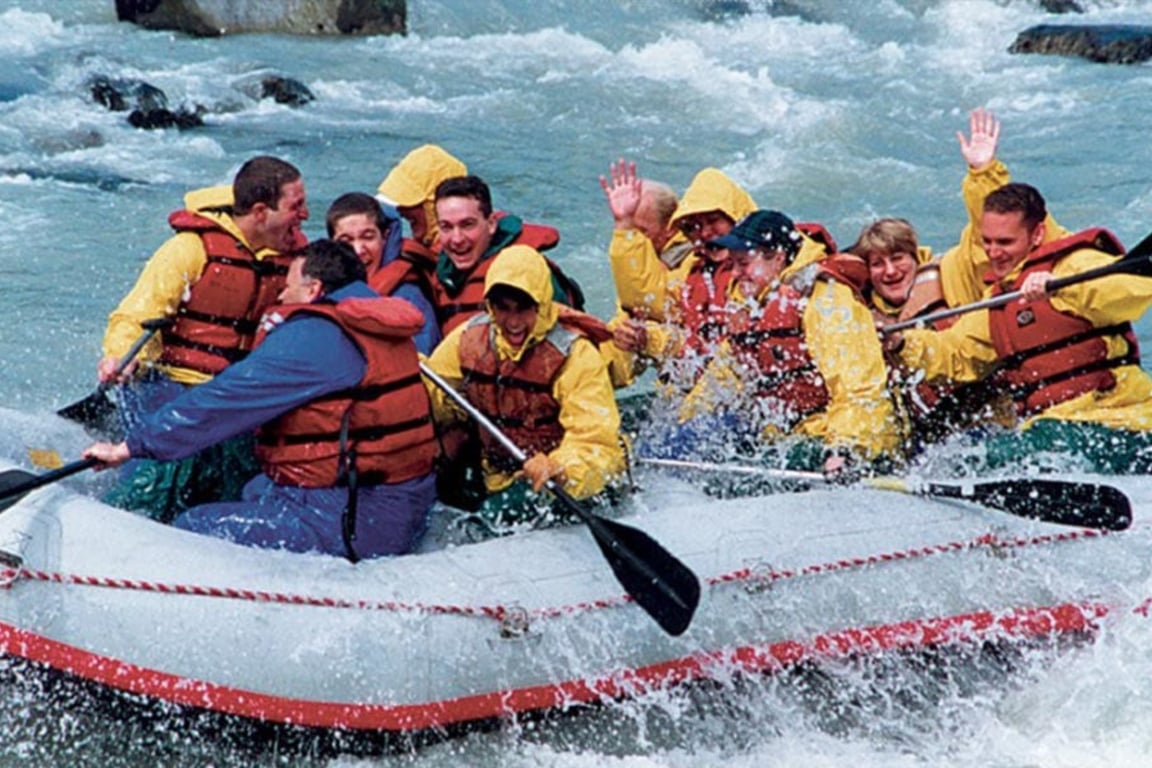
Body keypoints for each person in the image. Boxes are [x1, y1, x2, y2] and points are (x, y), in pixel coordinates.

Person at [83, 240, 439, 560]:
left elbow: (221, 402)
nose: (281, 298)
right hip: (397, 503)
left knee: (194, 524)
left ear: (314, 289)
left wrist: (129, 447)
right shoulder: (380, 323)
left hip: (352, 520)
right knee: (255, 488)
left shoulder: (316, 338)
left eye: (288, 288)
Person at [97, 156, 310, 519]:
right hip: (174, 383)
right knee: (157, 481)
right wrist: (122, 355)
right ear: (261, 212)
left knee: (238, 481)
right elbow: (135, 316)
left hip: (238, 394)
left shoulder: (297, 262)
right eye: (296, 206)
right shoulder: (191, 249)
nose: (305, 215)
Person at [888, 182, 1152, 473]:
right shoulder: (1001, 300)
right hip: (1055, 426)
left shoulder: (1075, 266)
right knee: (963, 452)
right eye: (987, 242)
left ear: (1037, 234)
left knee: (999, 455)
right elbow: (956, 352)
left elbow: (1133, 290)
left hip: (1119, 421)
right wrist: (901, 343)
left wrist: (1060, 290)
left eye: (1004, 242)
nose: (993, 252)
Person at [672, 211, 902, 477]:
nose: (735, 273)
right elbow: (720, 380)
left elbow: (860, 388)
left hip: (839, 440)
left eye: (743, 263)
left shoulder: (826, 300)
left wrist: (845, 450)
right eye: (733, 264)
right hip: (788, 434)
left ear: (778, 258)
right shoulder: (754, 306)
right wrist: (685, 422)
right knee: (688, 438)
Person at [423, 245, 626, 540]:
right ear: (490, 305)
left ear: (541, 304)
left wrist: (561, 468)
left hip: (567, 480)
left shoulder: (574, 354)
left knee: (495, 517)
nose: (513, 322)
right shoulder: (469, 339)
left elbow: (597, 442)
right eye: (503, 308)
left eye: (523, 308)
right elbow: (438, 399)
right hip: (498, 472)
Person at [430, 175, 584, 335]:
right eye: (446, 227)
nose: (457, 239)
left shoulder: (530, 272)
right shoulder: (440, 275)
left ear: (491, 224)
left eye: (467, 225)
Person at [325, 192, 441, 354]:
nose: (358, 250)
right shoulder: (320, 288)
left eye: (368, 237)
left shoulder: (408, 296)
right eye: (346, 241)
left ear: (385, 237)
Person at [376, 143, 467, 259]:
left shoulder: (455, 259)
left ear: (432, 205)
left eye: (408, 200)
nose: (400, 210)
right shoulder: (428, 255)